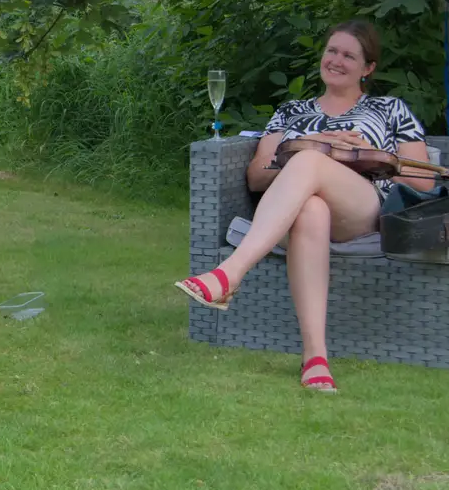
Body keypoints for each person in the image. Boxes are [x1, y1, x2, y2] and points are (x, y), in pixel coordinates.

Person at [174, 20, 429, 393]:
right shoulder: (291, 112)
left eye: (349, 55)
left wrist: (353, 157)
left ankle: (230, 273)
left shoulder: (389, 109)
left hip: (361, 206)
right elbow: (257, 177)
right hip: (302, 211)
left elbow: (421, 180)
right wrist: (310, 141)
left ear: (368, 68)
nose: (336, 60)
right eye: (331, 51)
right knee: (310, 206)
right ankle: (315, 359)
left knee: (309, 162)